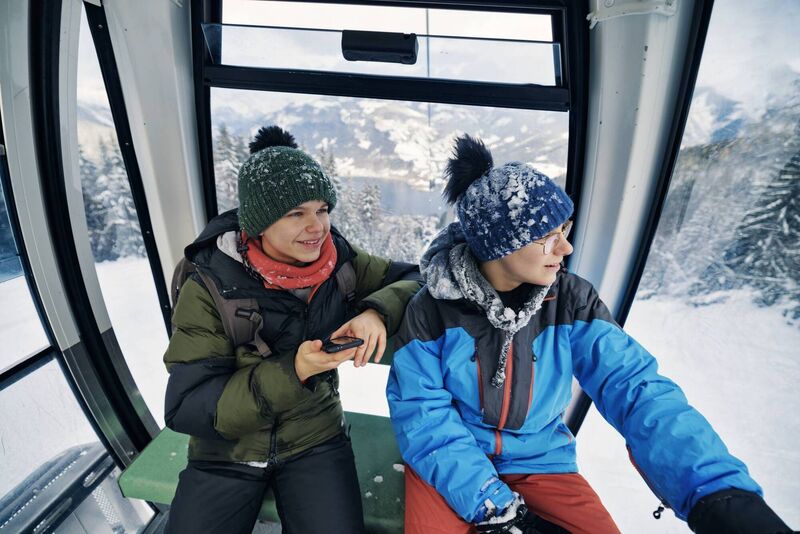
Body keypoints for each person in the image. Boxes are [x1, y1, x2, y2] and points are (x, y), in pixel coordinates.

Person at [386, 135, 792, 534]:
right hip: (450, 463)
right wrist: (494, 506)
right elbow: (424, 418)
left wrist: (717, 493)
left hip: (540, 461)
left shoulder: (571, 302)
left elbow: (635, 388)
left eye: (566, 230)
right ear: (498, 247)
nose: (565, 249)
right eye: (548, 239)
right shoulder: (432, 312)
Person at [162, 126, 421, 534]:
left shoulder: (341, 263)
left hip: (315, 440)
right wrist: (294, 371)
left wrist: (376, 312)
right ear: (260, 223)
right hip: (225, 454)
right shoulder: (210, 286)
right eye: (296, 213)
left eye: (322, 209)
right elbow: (188, 407)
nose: (317, 227)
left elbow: (415, 278)